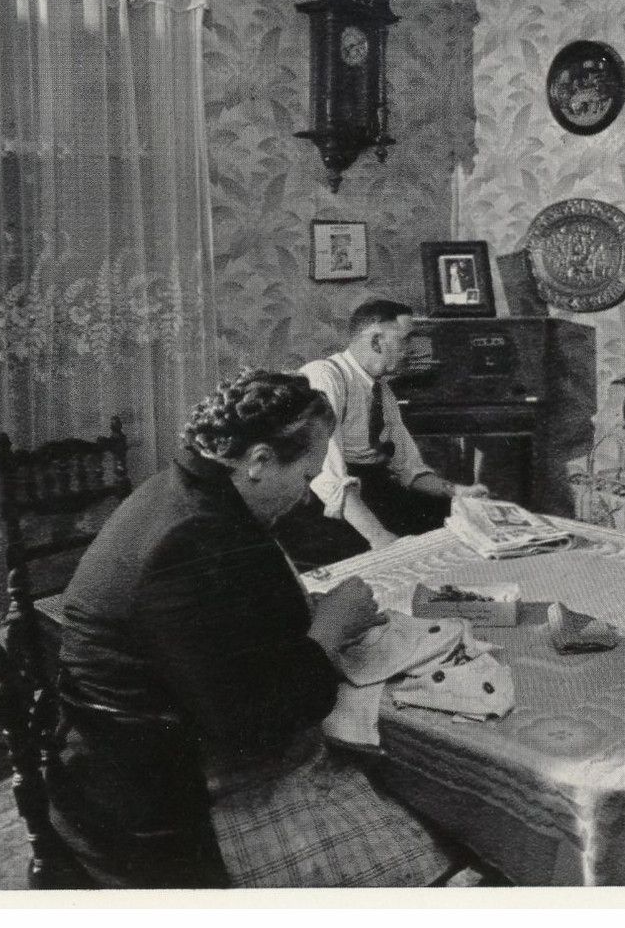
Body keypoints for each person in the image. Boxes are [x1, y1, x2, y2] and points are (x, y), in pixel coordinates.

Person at [50, 369, 453, 887]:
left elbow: (216, 636)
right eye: (306, 477)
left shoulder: (186, 492)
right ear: (260, 460)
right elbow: (253, 727)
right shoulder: (196, 536)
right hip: (157, 804)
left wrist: (303, 614)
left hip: (126, 764)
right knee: (434, 831)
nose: (307, 496)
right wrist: (326, 632)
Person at [295, 299, 488, 557]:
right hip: (328, 501)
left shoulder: (382, 391)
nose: (412, 350)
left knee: (463, 523)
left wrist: (457, 491)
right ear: (376, 341)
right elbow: (327, 477)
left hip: (374, 487)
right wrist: (380, 538)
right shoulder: (324, 377)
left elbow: (408, 468)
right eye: (406, 340)